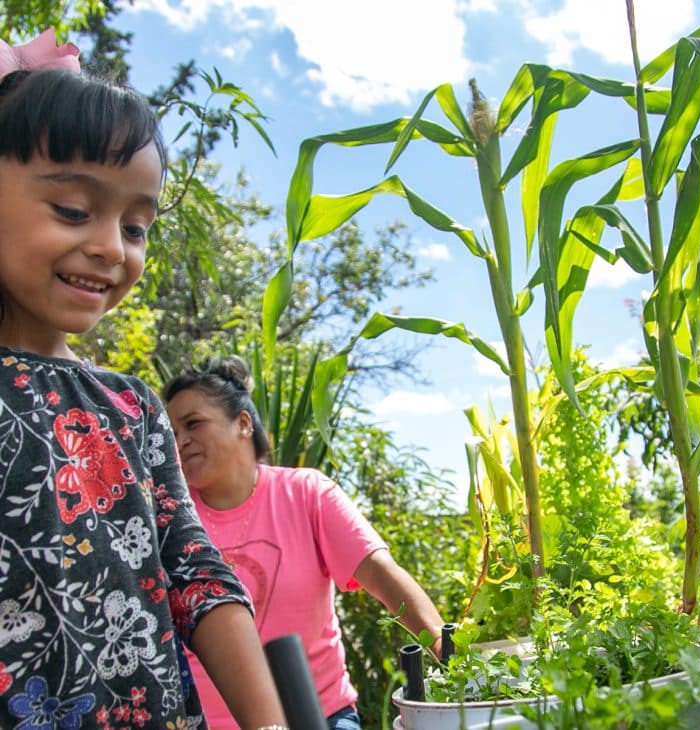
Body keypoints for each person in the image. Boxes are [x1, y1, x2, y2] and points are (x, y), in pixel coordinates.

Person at [0, 30, 288, 730]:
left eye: (136, 225)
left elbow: (193, 571)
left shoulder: (131, 407)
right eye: (73, 210)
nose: (110, 247)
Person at [164, 356, 446, 730]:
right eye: (171, 431)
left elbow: (381, 575)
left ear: (243, 423)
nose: (180, 440)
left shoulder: (306, 494)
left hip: (319, 717)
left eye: (193, 424)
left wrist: (449, 655)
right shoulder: (168, 521)